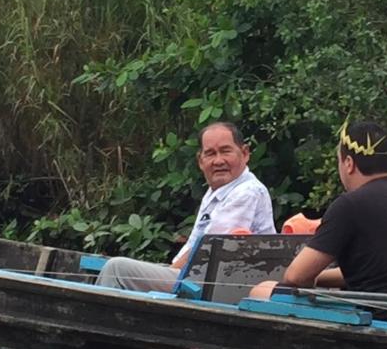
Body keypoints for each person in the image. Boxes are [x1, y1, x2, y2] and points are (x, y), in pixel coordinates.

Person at [251, 121, 387, 298]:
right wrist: (318, 277)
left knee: (262, 290)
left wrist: (308, 275)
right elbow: (373, 272)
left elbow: (295, 277)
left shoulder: (350, 205)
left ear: (348, 163)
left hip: (375, 313)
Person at [95, 122, 275, 292]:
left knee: (117, 268)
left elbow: (207, 251)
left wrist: (170, 272)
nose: (218, 161)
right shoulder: (218, 190)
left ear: (244, 153)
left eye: (225, 151)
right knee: (115, 267)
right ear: (200, 161)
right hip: (199, 278)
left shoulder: (247, 191)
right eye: (210, 153)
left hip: (218, 287)